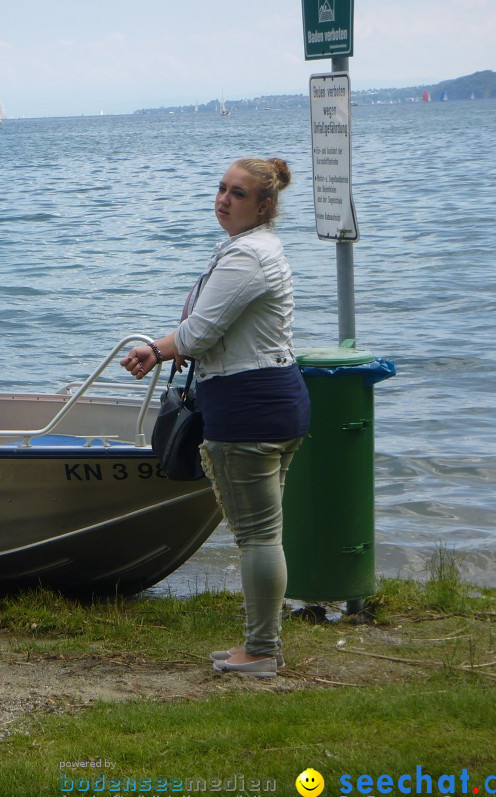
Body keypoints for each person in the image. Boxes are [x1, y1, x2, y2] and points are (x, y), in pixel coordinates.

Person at [121, 156, 310, 677]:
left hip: (248, 406)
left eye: (239, 194)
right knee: (264, 532)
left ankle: (261, 651)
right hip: (276, 398)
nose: (224, 199)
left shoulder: (247, 255)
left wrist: (157, 349)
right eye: (222, 188)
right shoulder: (255, 249)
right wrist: (173, 345)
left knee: (257, 536)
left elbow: (200, 334)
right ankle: (263, 645)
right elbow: (215, 328)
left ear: (266, 205)